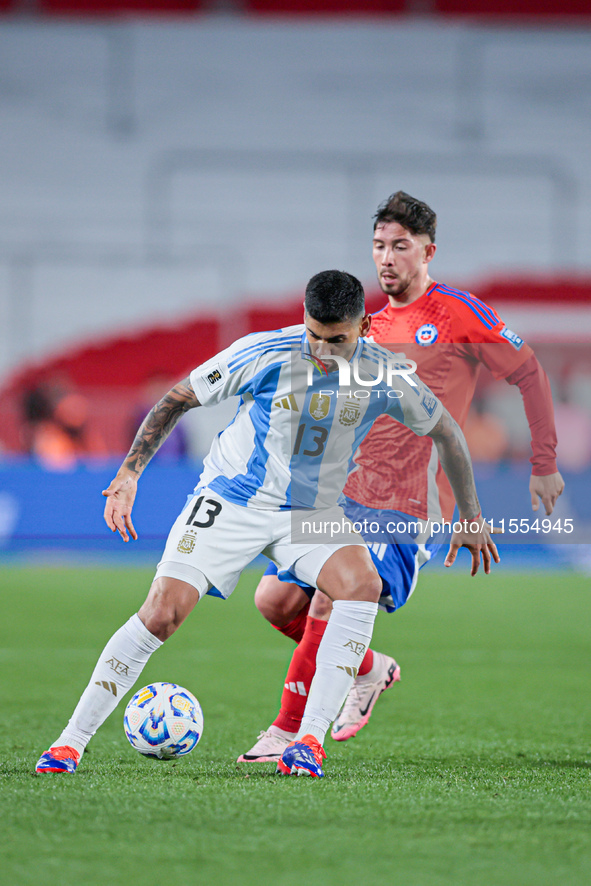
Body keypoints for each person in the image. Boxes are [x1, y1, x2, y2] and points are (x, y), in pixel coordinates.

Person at [35, 269, 498, 779]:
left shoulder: (387, 375)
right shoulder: (262, 352)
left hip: (311, 514)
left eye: (337, 340)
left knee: (361, 584)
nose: (322, 350)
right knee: (163, 612)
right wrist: (128, 474)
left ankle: (308, 743)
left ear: (364, 327)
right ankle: (68, 743)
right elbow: (178, 397)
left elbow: (448, 434)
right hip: (233, 501)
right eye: (314, 336)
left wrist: (471, 517)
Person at [238, 192, 564, 764]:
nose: (386, 258)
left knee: (328, 603)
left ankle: (288, 734)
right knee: (273, 599)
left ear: (427, 251)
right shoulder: (367, 326)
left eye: (400, 246)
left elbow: (530, 371)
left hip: (410, 503)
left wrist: (543, 462)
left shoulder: (457, 313)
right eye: (379, 246)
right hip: (346, 495)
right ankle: (369, 668)